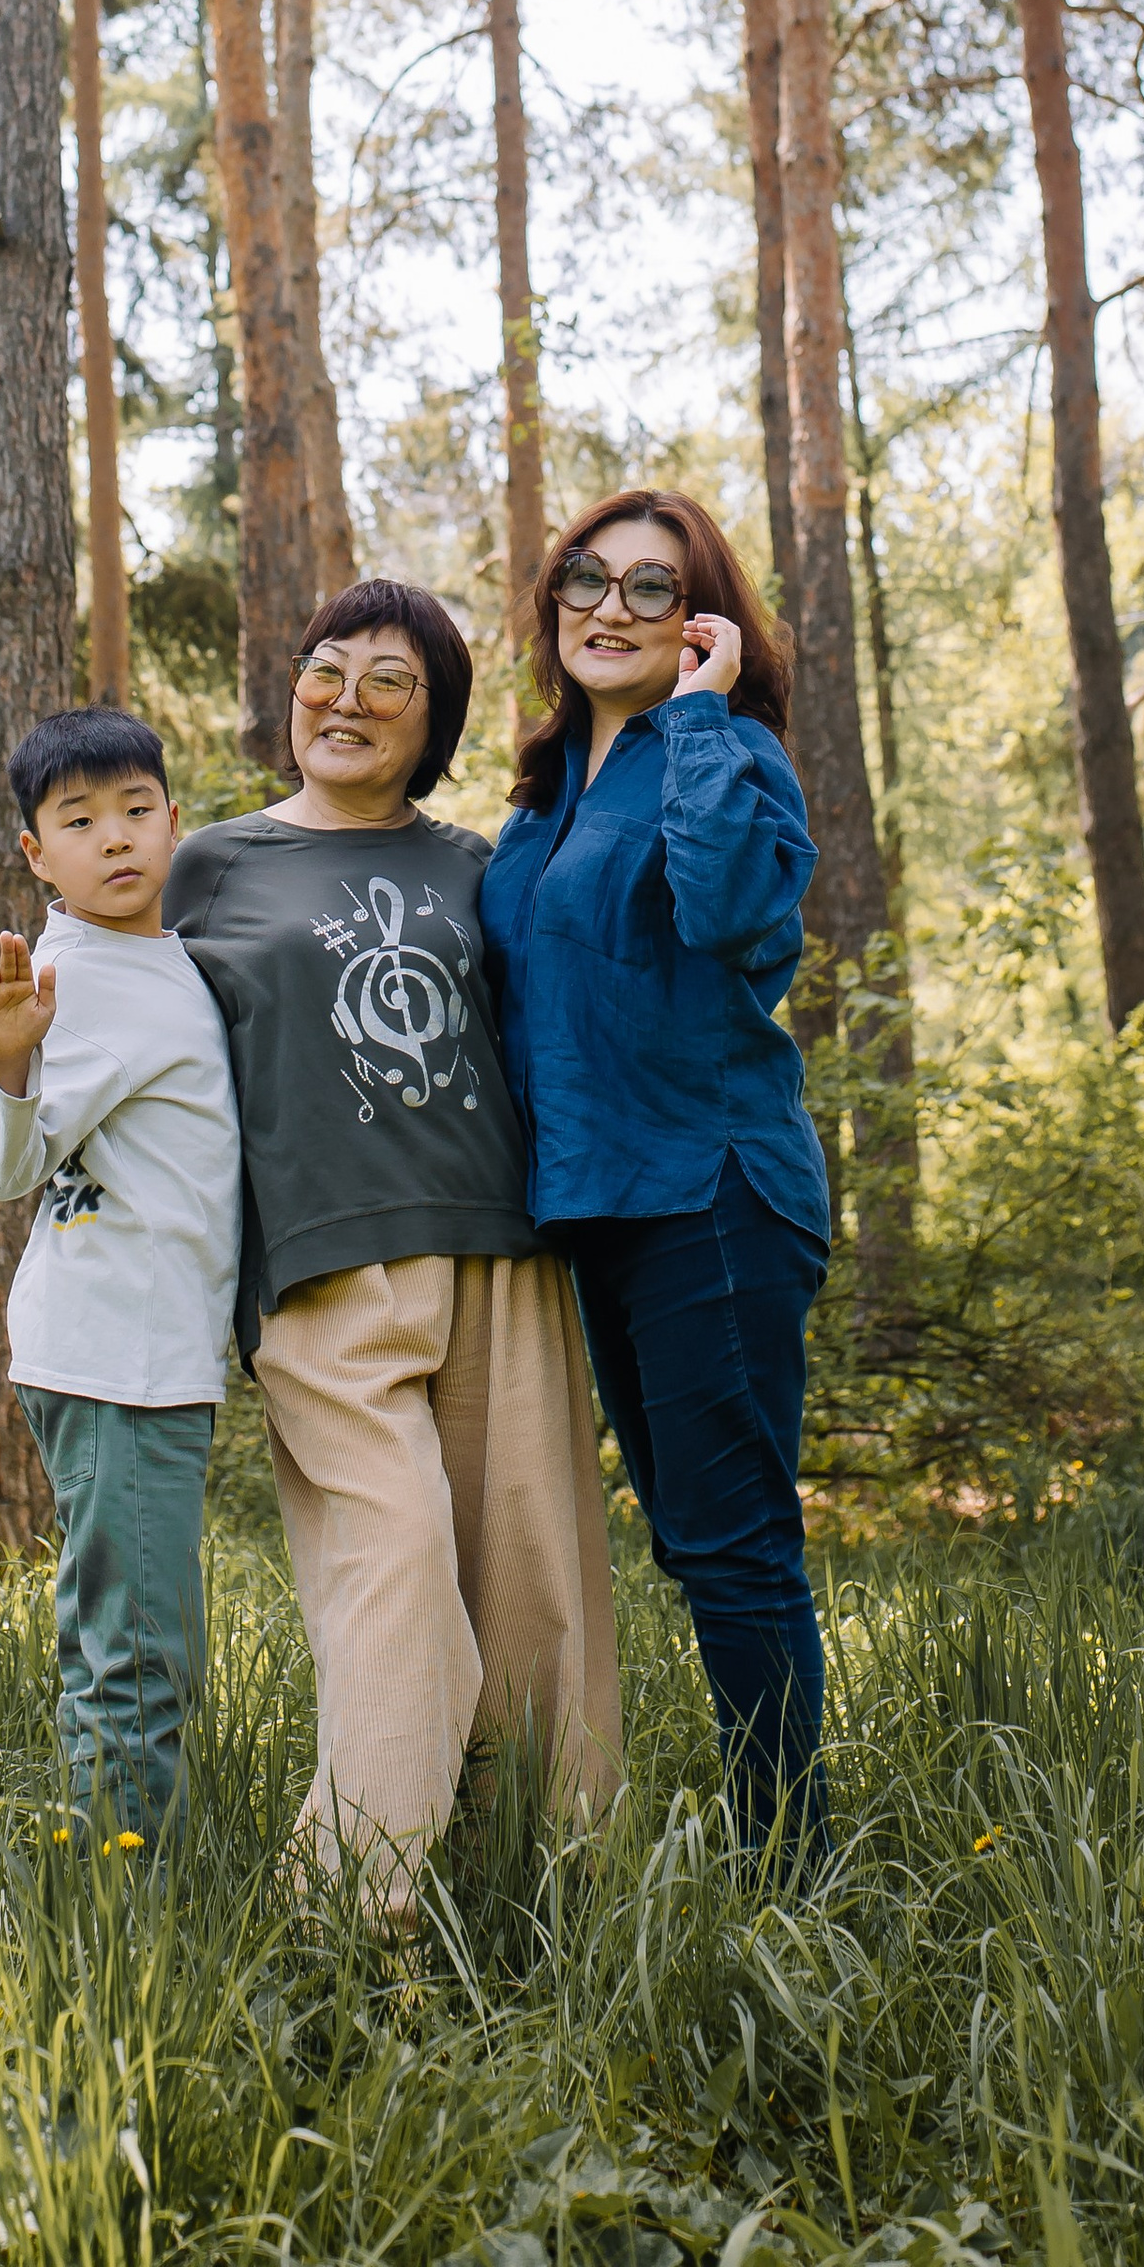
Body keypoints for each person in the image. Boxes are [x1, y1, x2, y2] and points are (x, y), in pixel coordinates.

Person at [164, 579, 620, 1912]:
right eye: (327, 667)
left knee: (534, 1599)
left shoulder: (479, 866)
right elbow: (143, 1057)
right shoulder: (212, 863)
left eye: (390, 682)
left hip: (501, 1257)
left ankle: (545, 1896)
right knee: (400, 1574)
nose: (346, 699)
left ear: (436, 729)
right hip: (319, 1278)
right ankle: (355, 1915)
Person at [479, 489, 830, 1855]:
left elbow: (733, 909)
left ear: (704, 626)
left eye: (651, 587)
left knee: (734, 1546)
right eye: (587, 577)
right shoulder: (547, 790)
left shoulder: (730, 755)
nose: (609, 607)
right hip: (599, 1206)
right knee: (693, 1546)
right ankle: (767, 1839)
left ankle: (788, 1872)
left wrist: (695, 715)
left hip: (713, 1192)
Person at [0, 706, 240, 1842]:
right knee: (132, 1660)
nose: (114, 839)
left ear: (175, 821)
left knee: (139, 1637)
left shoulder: (158, 957)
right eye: (79, 822)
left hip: (148, 1352)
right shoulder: (72, 973)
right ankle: (130, 1937)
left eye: (135, 811)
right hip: (116, 1356)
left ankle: (129, 1897)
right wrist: (9, 1058)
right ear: (37, 855)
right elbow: (0, 1166)